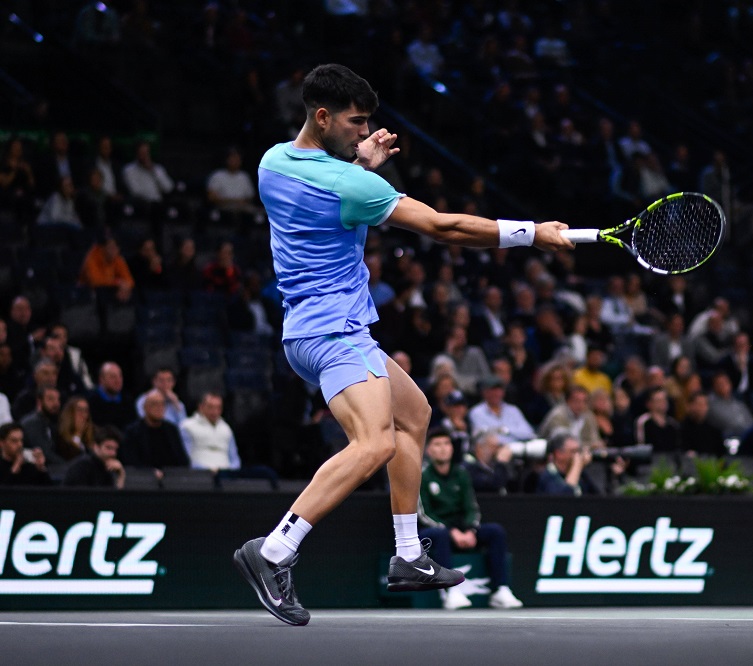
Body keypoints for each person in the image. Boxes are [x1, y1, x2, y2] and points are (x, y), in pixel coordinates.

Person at [233, 63, 573, 626]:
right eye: (355, 123)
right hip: (332, 334)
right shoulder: (354, 185)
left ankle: (409, 553)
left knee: (414, 415)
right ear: (323, 117)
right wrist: (533, 232)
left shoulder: (274, 162)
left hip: (318, 329)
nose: (364, 134)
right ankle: (272, 551)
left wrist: (359, 162)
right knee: (373, 445)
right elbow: (445, 227)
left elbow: (329, 189)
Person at [418, 428, 523, 610]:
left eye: (446, 444)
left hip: (462, 529)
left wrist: (470, 530)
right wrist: (451, 531)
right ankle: (451, 591)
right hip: (433, 532)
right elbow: (423, 513)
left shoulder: (461, 474)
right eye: (437, 445)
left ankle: (500, 590)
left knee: (495, 531)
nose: (442, 448)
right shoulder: (422, 476)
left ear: (452, 448)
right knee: (440, 535)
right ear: (429, 450)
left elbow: (471, 507)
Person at [121, 389, 189, 474]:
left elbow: (183, 460)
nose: (159, 408)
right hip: (144, 479)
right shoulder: (133, 431)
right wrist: (150, 472)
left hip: (172, 478)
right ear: (145, 408)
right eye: (154, 404)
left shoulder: (171, 429)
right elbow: (130, 461)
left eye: (162, 404)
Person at [468, 375, 537, 444]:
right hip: (492, 449)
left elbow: (528, 433)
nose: (496, 393)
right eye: (492, 390)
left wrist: (506, 430)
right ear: (484, 392)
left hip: (517, 448)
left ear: (503, 392)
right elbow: (482, 437)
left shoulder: (513, 410)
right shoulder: (476, 412)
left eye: (499, 390)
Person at [536, 432, 603, 495]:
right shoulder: (548, 475)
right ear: (558, 454)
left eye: (578, 451)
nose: (577, 455)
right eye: (573, 451)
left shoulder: (581, 474)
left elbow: (598, 497)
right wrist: (577, 466)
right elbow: (565, 498)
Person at [86, 361, 137, 430]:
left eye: (120, 376)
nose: (118, 380)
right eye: (113, 377)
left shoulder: (128, 400)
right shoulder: (90, 401)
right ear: (101, 379)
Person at [463, 430, 514, 495]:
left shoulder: (494, 467)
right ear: (480, 448)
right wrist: (501, 463)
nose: (497, 451)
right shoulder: (469, 468)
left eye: (498, 447)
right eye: (493, 447)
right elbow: (493, 485)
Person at [19, 386, 62, 464]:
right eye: (50, 399)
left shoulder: (51, 421)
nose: (56, 403)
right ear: (39, 402)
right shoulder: (32, 422)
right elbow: (45, 453)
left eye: (58, 399)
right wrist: (67, 466)